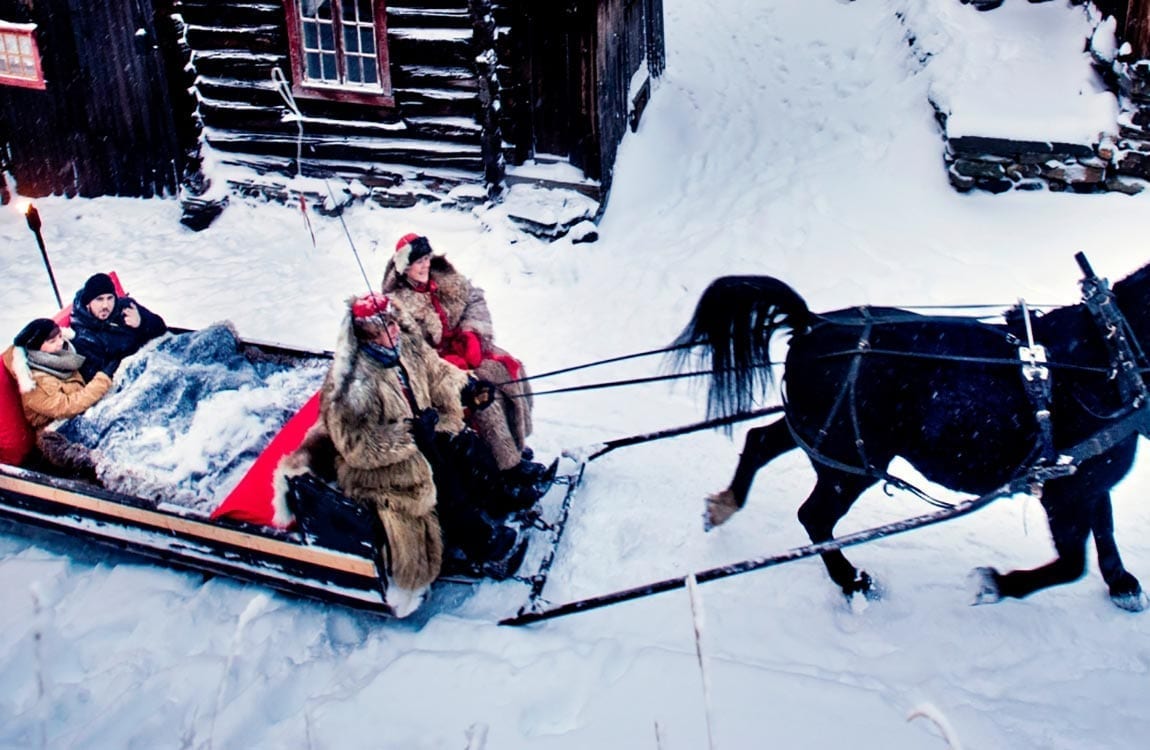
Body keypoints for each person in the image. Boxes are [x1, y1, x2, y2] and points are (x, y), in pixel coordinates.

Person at [279, 293, 524, 617]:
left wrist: (464, 386)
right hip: (377, 466)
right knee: (438, 475)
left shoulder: (403, 346)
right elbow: (357, 446)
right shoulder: (351, 384)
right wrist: (409, 434)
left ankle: (491, 503)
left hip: (421, 433)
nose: (393, 331)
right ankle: (482, 548)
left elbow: (435, 371)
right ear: (366, 336)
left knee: (464, 446)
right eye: (384, 329)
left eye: (393, 323)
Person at [381, 233, 554, 500]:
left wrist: (471, 333)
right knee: (483, 397)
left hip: (462, 346)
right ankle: (507, 466)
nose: (425, 265)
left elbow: (475, 299)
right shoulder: (398, 303)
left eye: (427, 258)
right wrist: (449, 363)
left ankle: (515, 444)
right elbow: (413, 351)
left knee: (509, 369)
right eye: (418, 262)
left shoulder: (444, 276)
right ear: (405, 267)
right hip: (437, 368)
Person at [1, 318, 118, 475]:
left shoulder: (59, 357)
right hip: (55, 432)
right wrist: (102, 379)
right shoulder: (34, 381)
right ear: (36, 347)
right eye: (52, 341)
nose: (59, 343)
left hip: (79, 416)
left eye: (60, 337)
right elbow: (66, 406)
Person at [70, 273, 167, 383]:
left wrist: (141, 323)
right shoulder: (85, 337)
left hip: (156, 358)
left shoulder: (126, 307)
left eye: (110, 298)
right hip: (135, 377)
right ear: (88, 303)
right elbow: (100, 378)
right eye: (99, 299)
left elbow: (162, 328)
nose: (105, 305)